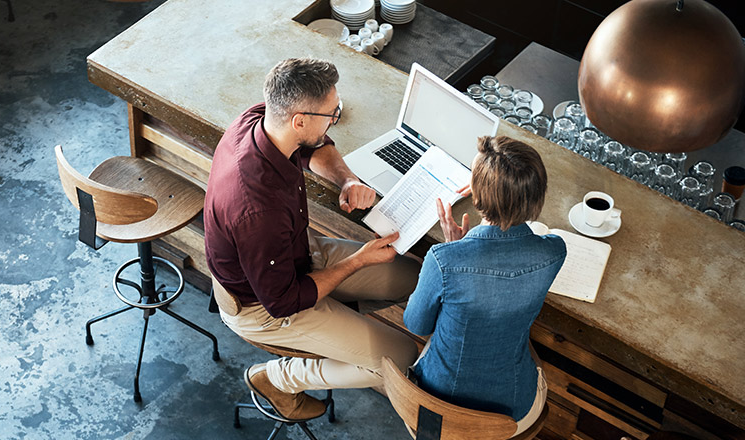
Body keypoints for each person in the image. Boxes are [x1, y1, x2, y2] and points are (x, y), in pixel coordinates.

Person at [204, 57, 421, 420]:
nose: (335, 119)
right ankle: (278, 379)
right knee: (401, 357)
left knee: (411, 277)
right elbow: (284, 302)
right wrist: (358, 261)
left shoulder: (261, 119)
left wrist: (347, 179)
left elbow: (314, 145)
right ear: (299, 119)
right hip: (263, 305)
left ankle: (338, 324)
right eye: (330, 114)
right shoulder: (258, 210)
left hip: (295, 255)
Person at [404, 135, 566, 435]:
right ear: (537, 196)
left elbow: (416, 324)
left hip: (437, 409)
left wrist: (457, 249)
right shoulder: (554, 251)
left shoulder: (443, 260)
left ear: (477, 196)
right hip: (509, 417)